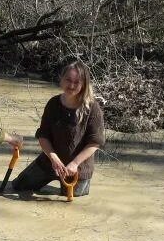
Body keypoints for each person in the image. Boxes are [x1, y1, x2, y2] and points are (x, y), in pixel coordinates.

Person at [11, 60, 104, 197]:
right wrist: (54, 159)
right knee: (18, 187)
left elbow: (94, 143)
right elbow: (43, 136)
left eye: (76, 82)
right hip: (50, 161)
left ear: (84, 84)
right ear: (61, 80)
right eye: (68, 80)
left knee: (72, 199)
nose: (71, 85)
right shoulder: (53, 104)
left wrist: (74, 164)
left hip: (79, 167)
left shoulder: (93, 108)